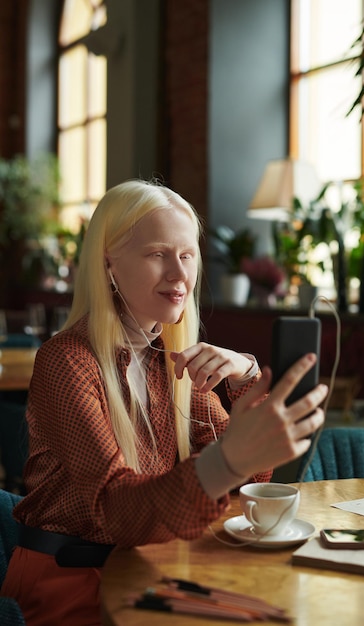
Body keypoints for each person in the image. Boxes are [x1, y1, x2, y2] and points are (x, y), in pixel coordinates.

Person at [1, 179, 327, 625]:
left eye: (187, 255)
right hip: (74, 581)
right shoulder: (66, 362)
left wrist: (246, 375)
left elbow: (252, 479)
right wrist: (227, 460)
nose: (179, 275)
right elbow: (119, 512)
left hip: (150, 569)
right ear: (108, 262)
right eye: (158, 254)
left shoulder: (168, 360)